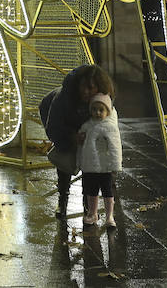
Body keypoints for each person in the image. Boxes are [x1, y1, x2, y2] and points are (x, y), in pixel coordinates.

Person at [38, 64, 114, 218]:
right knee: (65, 161)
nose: (85, 92)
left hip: (85, 129)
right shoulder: (63, 99)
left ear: (99, 88)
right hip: (56, 117)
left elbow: (110, 125)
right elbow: (54, 128)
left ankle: (88, 207)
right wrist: (71, 137)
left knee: (90, 166)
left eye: (90, 88)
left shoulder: (104, 98)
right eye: (83, 87)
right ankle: (62, 200)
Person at [77, 92, 123, 228]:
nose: (97, 113)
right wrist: (80, 162)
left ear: (107, 111)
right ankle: (93, 213)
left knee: (108, 192)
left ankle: (109, 216)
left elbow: (115, 148)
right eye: (94, 109)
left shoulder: (110, 127)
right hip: (91, 165)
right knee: (92, 191)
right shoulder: (87, 126)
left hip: (106, 167)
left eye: (101, 110)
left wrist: (115, 165)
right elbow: (82, 145)